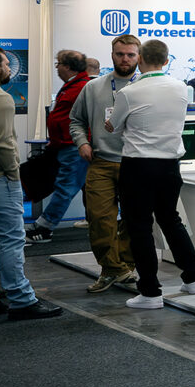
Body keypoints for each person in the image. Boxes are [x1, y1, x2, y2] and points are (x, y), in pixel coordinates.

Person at [108, 38, 195, 310]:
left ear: (139, 59)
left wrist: (111, 121)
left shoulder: (129, 92)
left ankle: (150, 293)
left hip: (138, 166)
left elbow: (113, 127)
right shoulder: (182, 89)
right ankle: (193, 279)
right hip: (169, 166)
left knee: (139, 227)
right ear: (166, 60)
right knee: (171, 220)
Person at [0, 45, 62, 320]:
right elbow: (3, 144)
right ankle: (21, 300)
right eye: (6, 63)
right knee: (11, 240)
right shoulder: (0, 98)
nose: (9, 68)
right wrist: (13, 174)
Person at [69, 35, 140, 293]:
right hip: (100, 161)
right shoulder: (93, 87)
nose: (125, 59)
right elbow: (75, 120)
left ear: (139, 57)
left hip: (136, 163)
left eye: (130, 55)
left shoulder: (145, 87)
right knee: (99, 219)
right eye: (120, 54)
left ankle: (123, 267)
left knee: (135, 220)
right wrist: (82, 143)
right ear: (112, 54)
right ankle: (114, 269)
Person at [26, 50, 92, 244]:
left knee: (66, 188)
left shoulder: (81, 87)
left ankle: (45, 227)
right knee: (77, 186)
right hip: (66, 146)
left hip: (73, 147)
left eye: (58, 64)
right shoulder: (72, 86)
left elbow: (79, 120)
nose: (57, 68)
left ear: (67, 67)